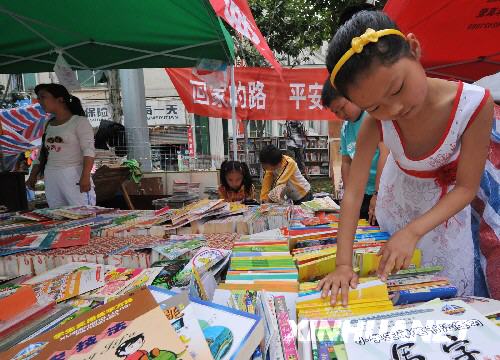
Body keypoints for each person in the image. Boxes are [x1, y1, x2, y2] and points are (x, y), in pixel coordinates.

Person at [318, 10, 494, 304]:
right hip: (395, 208)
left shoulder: (475, 105)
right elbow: (353, 194)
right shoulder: (376, 122)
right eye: (374, 106)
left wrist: (413, 232)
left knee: (446, 302)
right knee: (393, 297)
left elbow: (466, 188)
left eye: (398, 88)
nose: (394, 109)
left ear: (413, 49)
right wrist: (343, 265)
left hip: (444, 218)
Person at [321, 79, 389, 224]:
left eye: (342, 107)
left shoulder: (372, 117)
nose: (341, 114)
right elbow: (346, 162)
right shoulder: (345, 128)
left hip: (382, 190)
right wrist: (349, 194)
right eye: (336, 112)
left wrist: (378, 193)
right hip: (361, 192)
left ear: (353, 95)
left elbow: (385, 154)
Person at [26, 84, 96, 208]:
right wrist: (33, 175)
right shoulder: (48, 124)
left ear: (60, 99)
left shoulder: (79, 122)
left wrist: (85, 176)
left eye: (43, 97)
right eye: (39, 98)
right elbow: (42, 152)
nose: (40, 101)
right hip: (51, 176)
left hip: (74, 175)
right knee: (58, 216)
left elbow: (89, 151)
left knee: (83, 215)